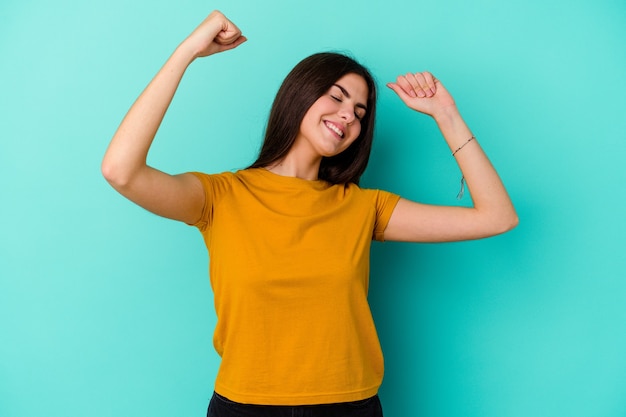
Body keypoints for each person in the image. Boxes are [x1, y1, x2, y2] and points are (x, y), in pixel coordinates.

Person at [102, 10, 518, 417]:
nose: (347, 116)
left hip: (350, 407)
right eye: (336, 96)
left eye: (359, 113)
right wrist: (187, 52)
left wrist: (446, 115)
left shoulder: (362, 207)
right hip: (245, 407)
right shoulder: (220, 196)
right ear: (299, 94)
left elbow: (497, 217)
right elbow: (120, 171)